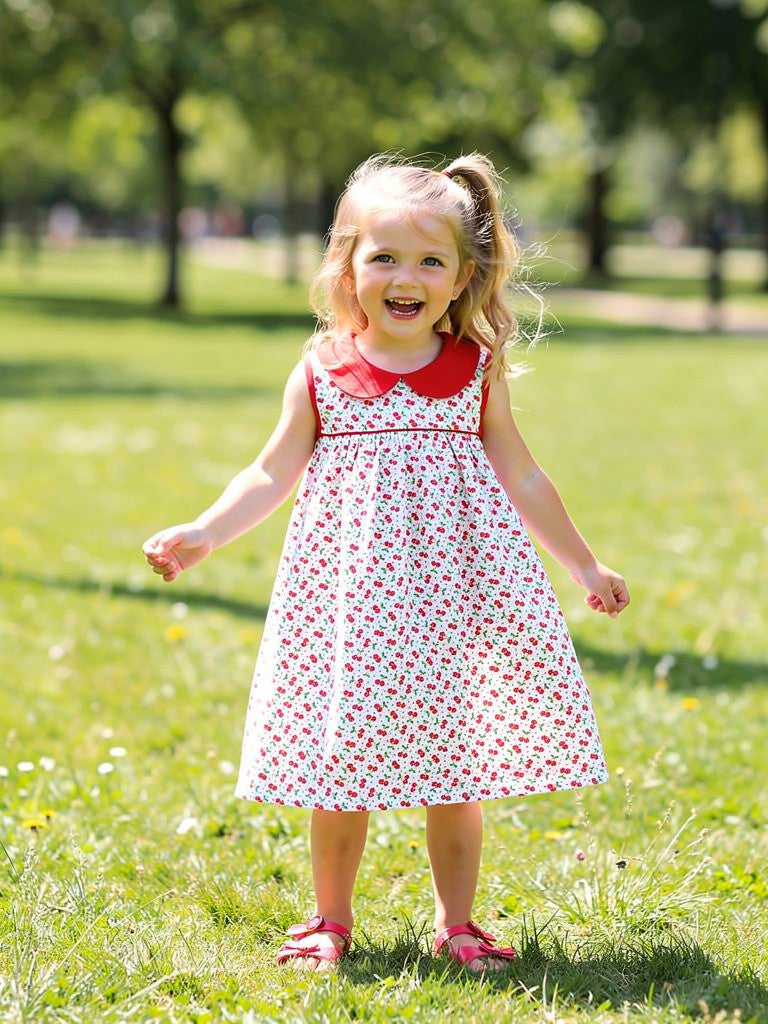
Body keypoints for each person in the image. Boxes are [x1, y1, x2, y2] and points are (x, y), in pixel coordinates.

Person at [143, 153, 629, 974]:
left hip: (453, 600)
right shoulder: (322, 370)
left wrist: (582, 564)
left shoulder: (475, 370)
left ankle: (459, 922)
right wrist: (205, 530)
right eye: (385, 258)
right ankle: (329, 919)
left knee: (456, 768)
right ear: (346, 266)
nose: (407, 277)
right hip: (351, 607)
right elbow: (271, 472)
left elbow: (522, 472)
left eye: (430, 261)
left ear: (460, 277)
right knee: (342, 769)